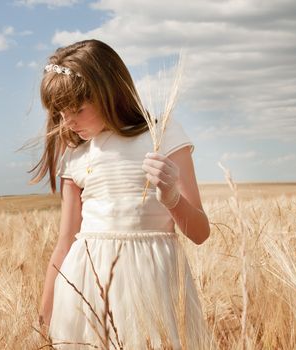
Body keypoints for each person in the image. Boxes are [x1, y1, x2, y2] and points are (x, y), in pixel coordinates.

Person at [30, 39, 213, 349]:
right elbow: (65, 242)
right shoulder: (76, 155)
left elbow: (200, 232)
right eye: (60, 113)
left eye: (77, 109)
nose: (68, 122)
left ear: (110, 93)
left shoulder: (162, 135)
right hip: (84, 289)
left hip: (152, 285)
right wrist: (44, 317)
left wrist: (171, 198)